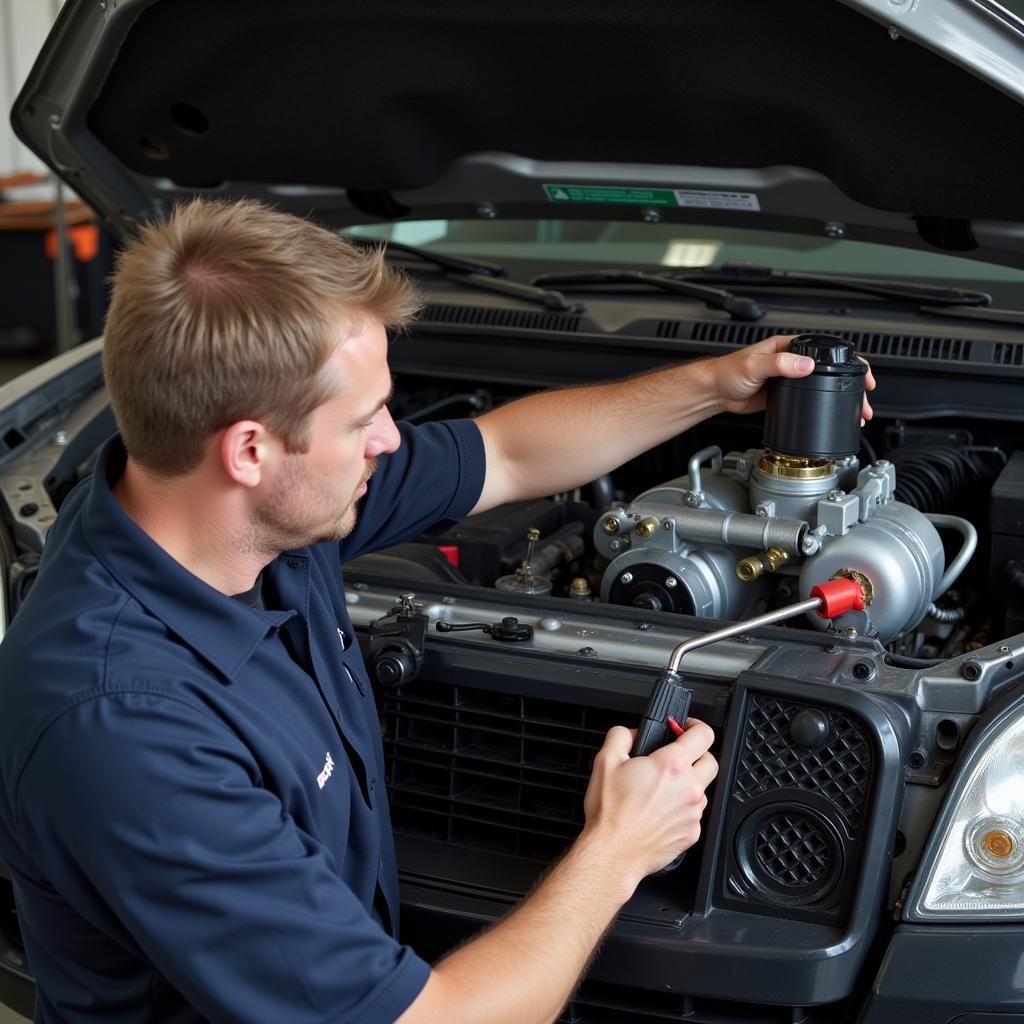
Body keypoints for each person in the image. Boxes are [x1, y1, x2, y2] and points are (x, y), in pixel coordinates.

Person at [0, 199, 874, 1024]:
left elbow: (505, 453)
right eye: (366, 420)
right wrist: (619, 850)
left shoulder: (214, 512)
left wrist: (718, 385)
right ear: (250, 450)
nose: (390, 440)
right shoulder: (125, 728)